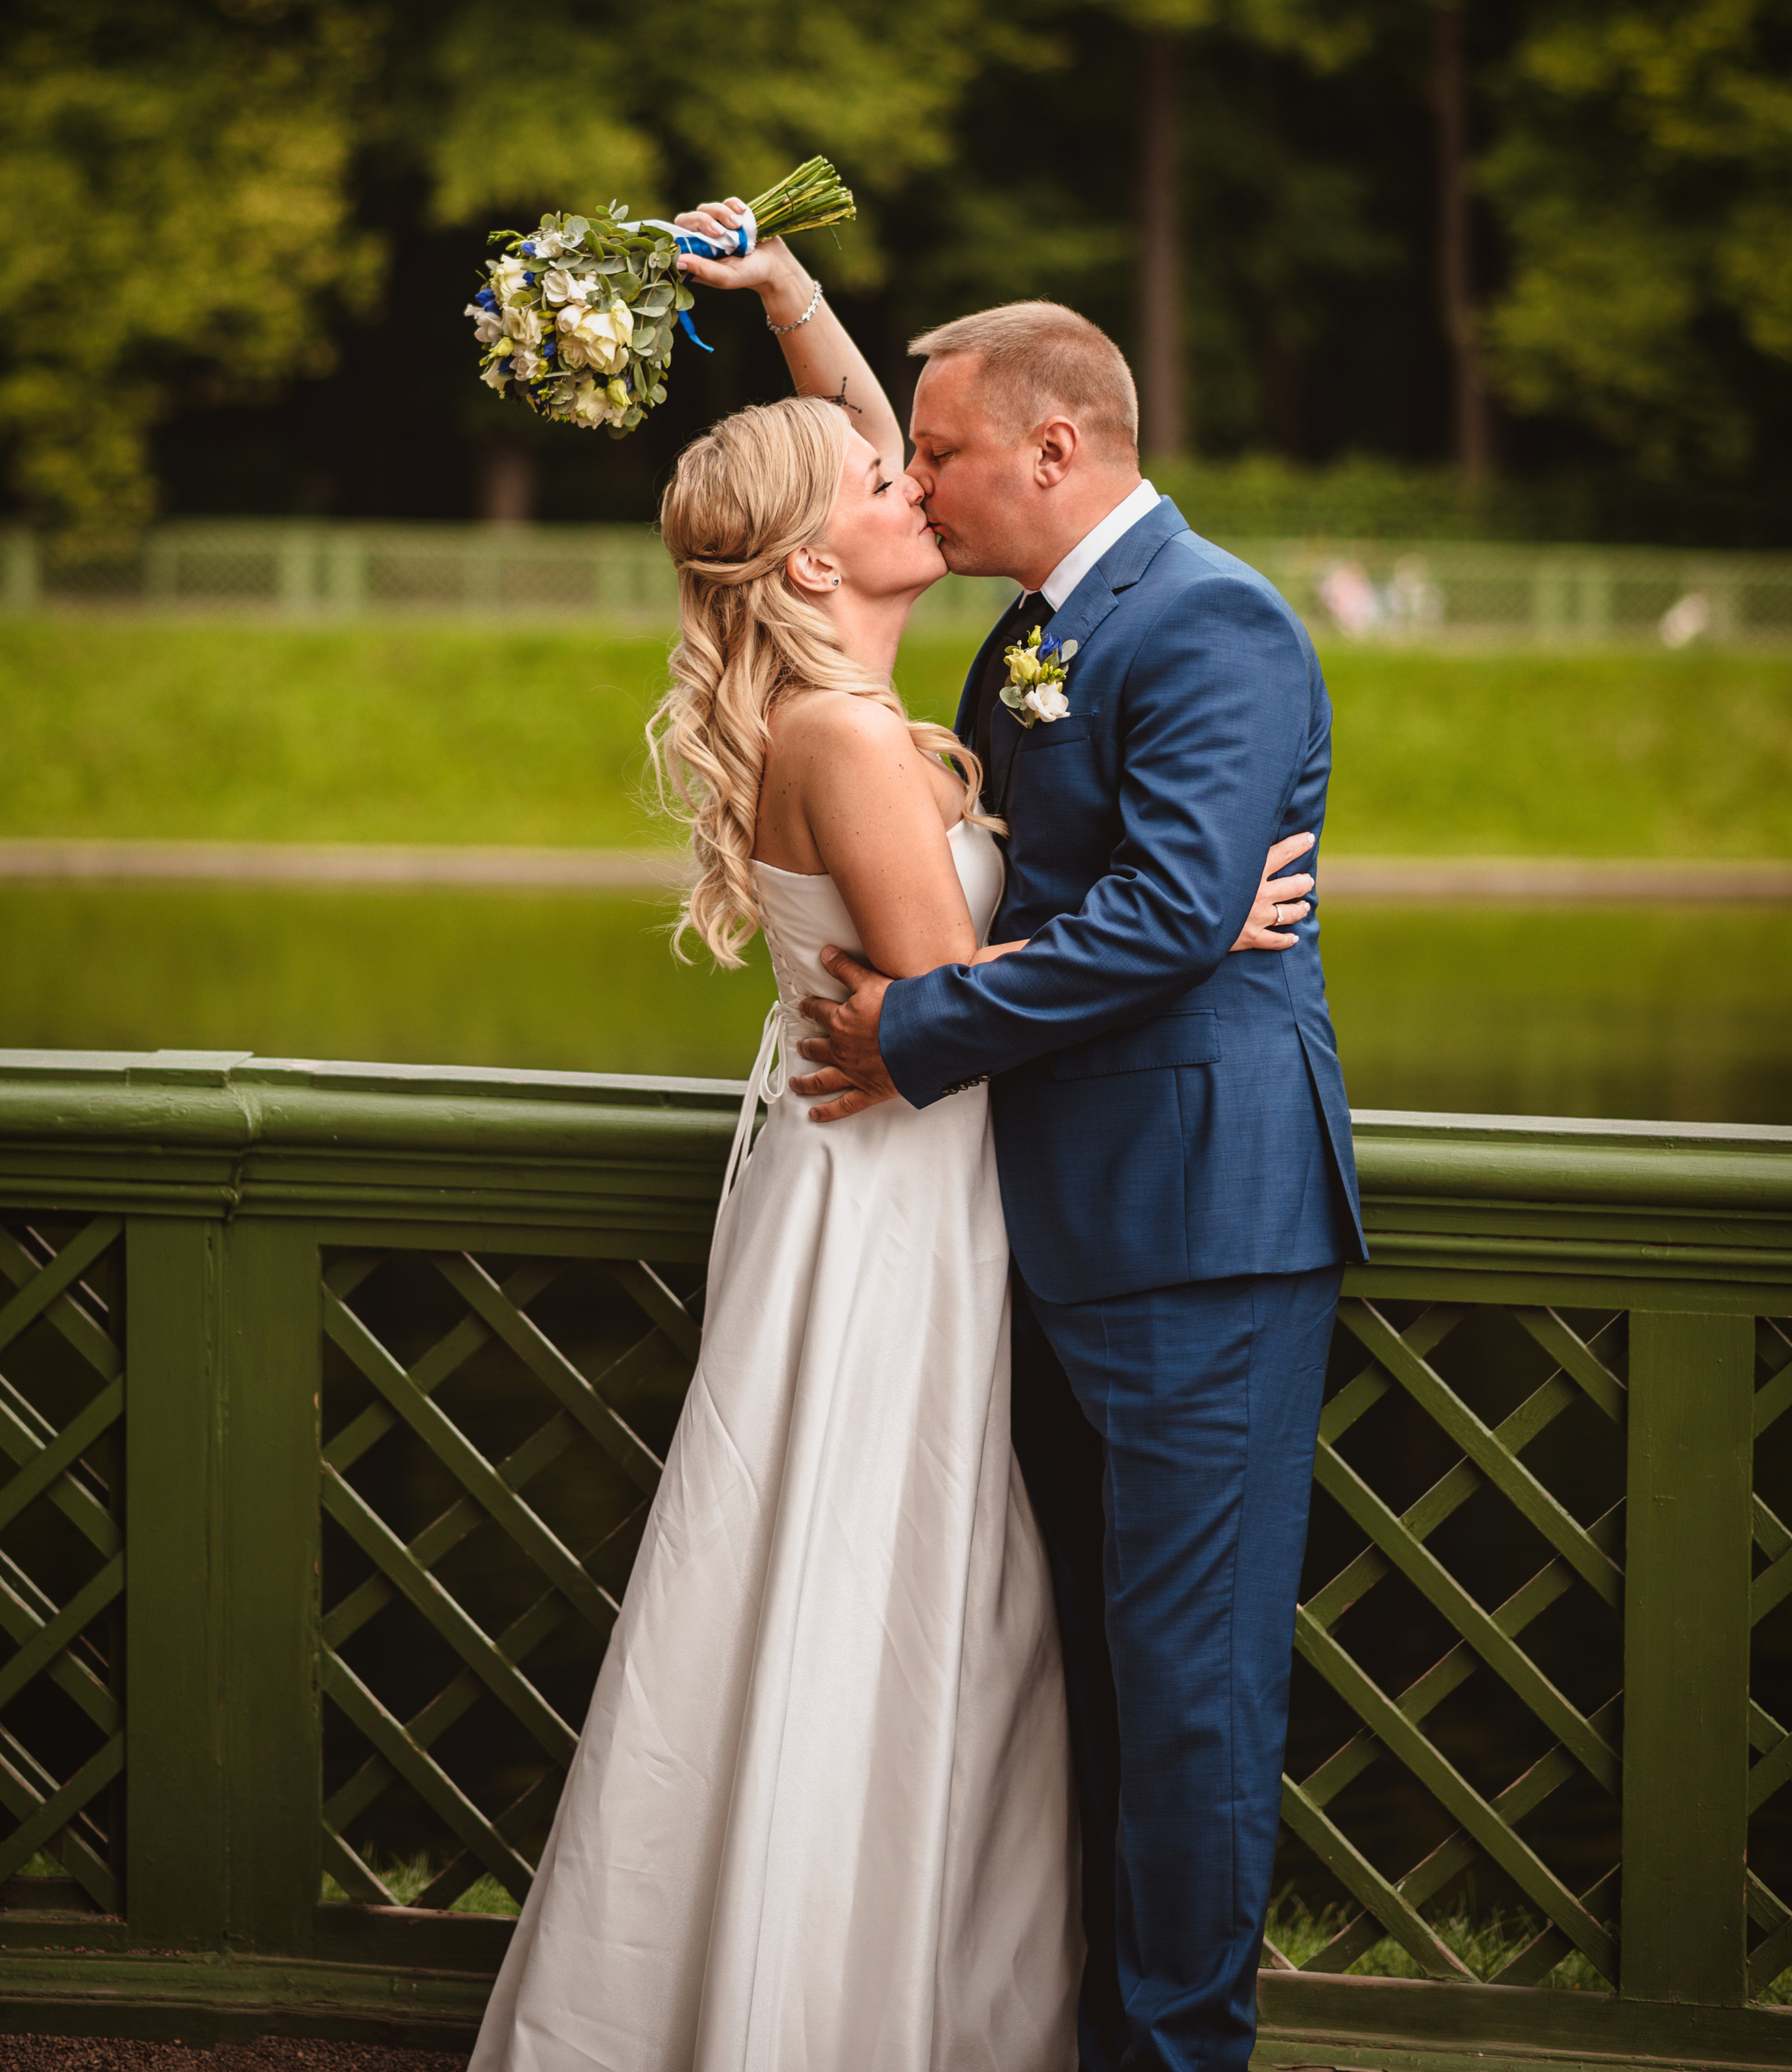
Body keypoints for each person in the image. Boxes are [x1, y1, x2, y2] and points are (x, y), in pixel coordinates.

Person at [471, 210, 1313, 2072]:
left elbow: (855, 469)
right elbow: (948, 961)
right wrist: (1194, 920)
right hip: (912, 1204)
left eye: (932, 458)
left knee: (1004, 1638)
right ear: (814, 546)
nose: (914, 482)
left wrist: (786, 302)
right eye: (892, 473)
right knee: (877, 1600)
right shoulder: (868, 721)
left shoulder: (1003, 654)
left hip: (1016, 1200)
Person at [794, 297, 1369, 2072]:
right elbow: (1123, 909)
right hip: (1033, 1233)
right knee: (1093, 1693)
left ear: (1054, 451)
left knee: (1190, 1698)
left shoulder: (1210, 619)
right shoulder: (1027, 633)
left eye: (944, 452)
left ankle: (1177, 2057)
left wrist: (926, 1025)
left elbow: (1173, 907)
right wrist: (781, 307)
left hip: (1199, 1232)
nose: (920, 481)